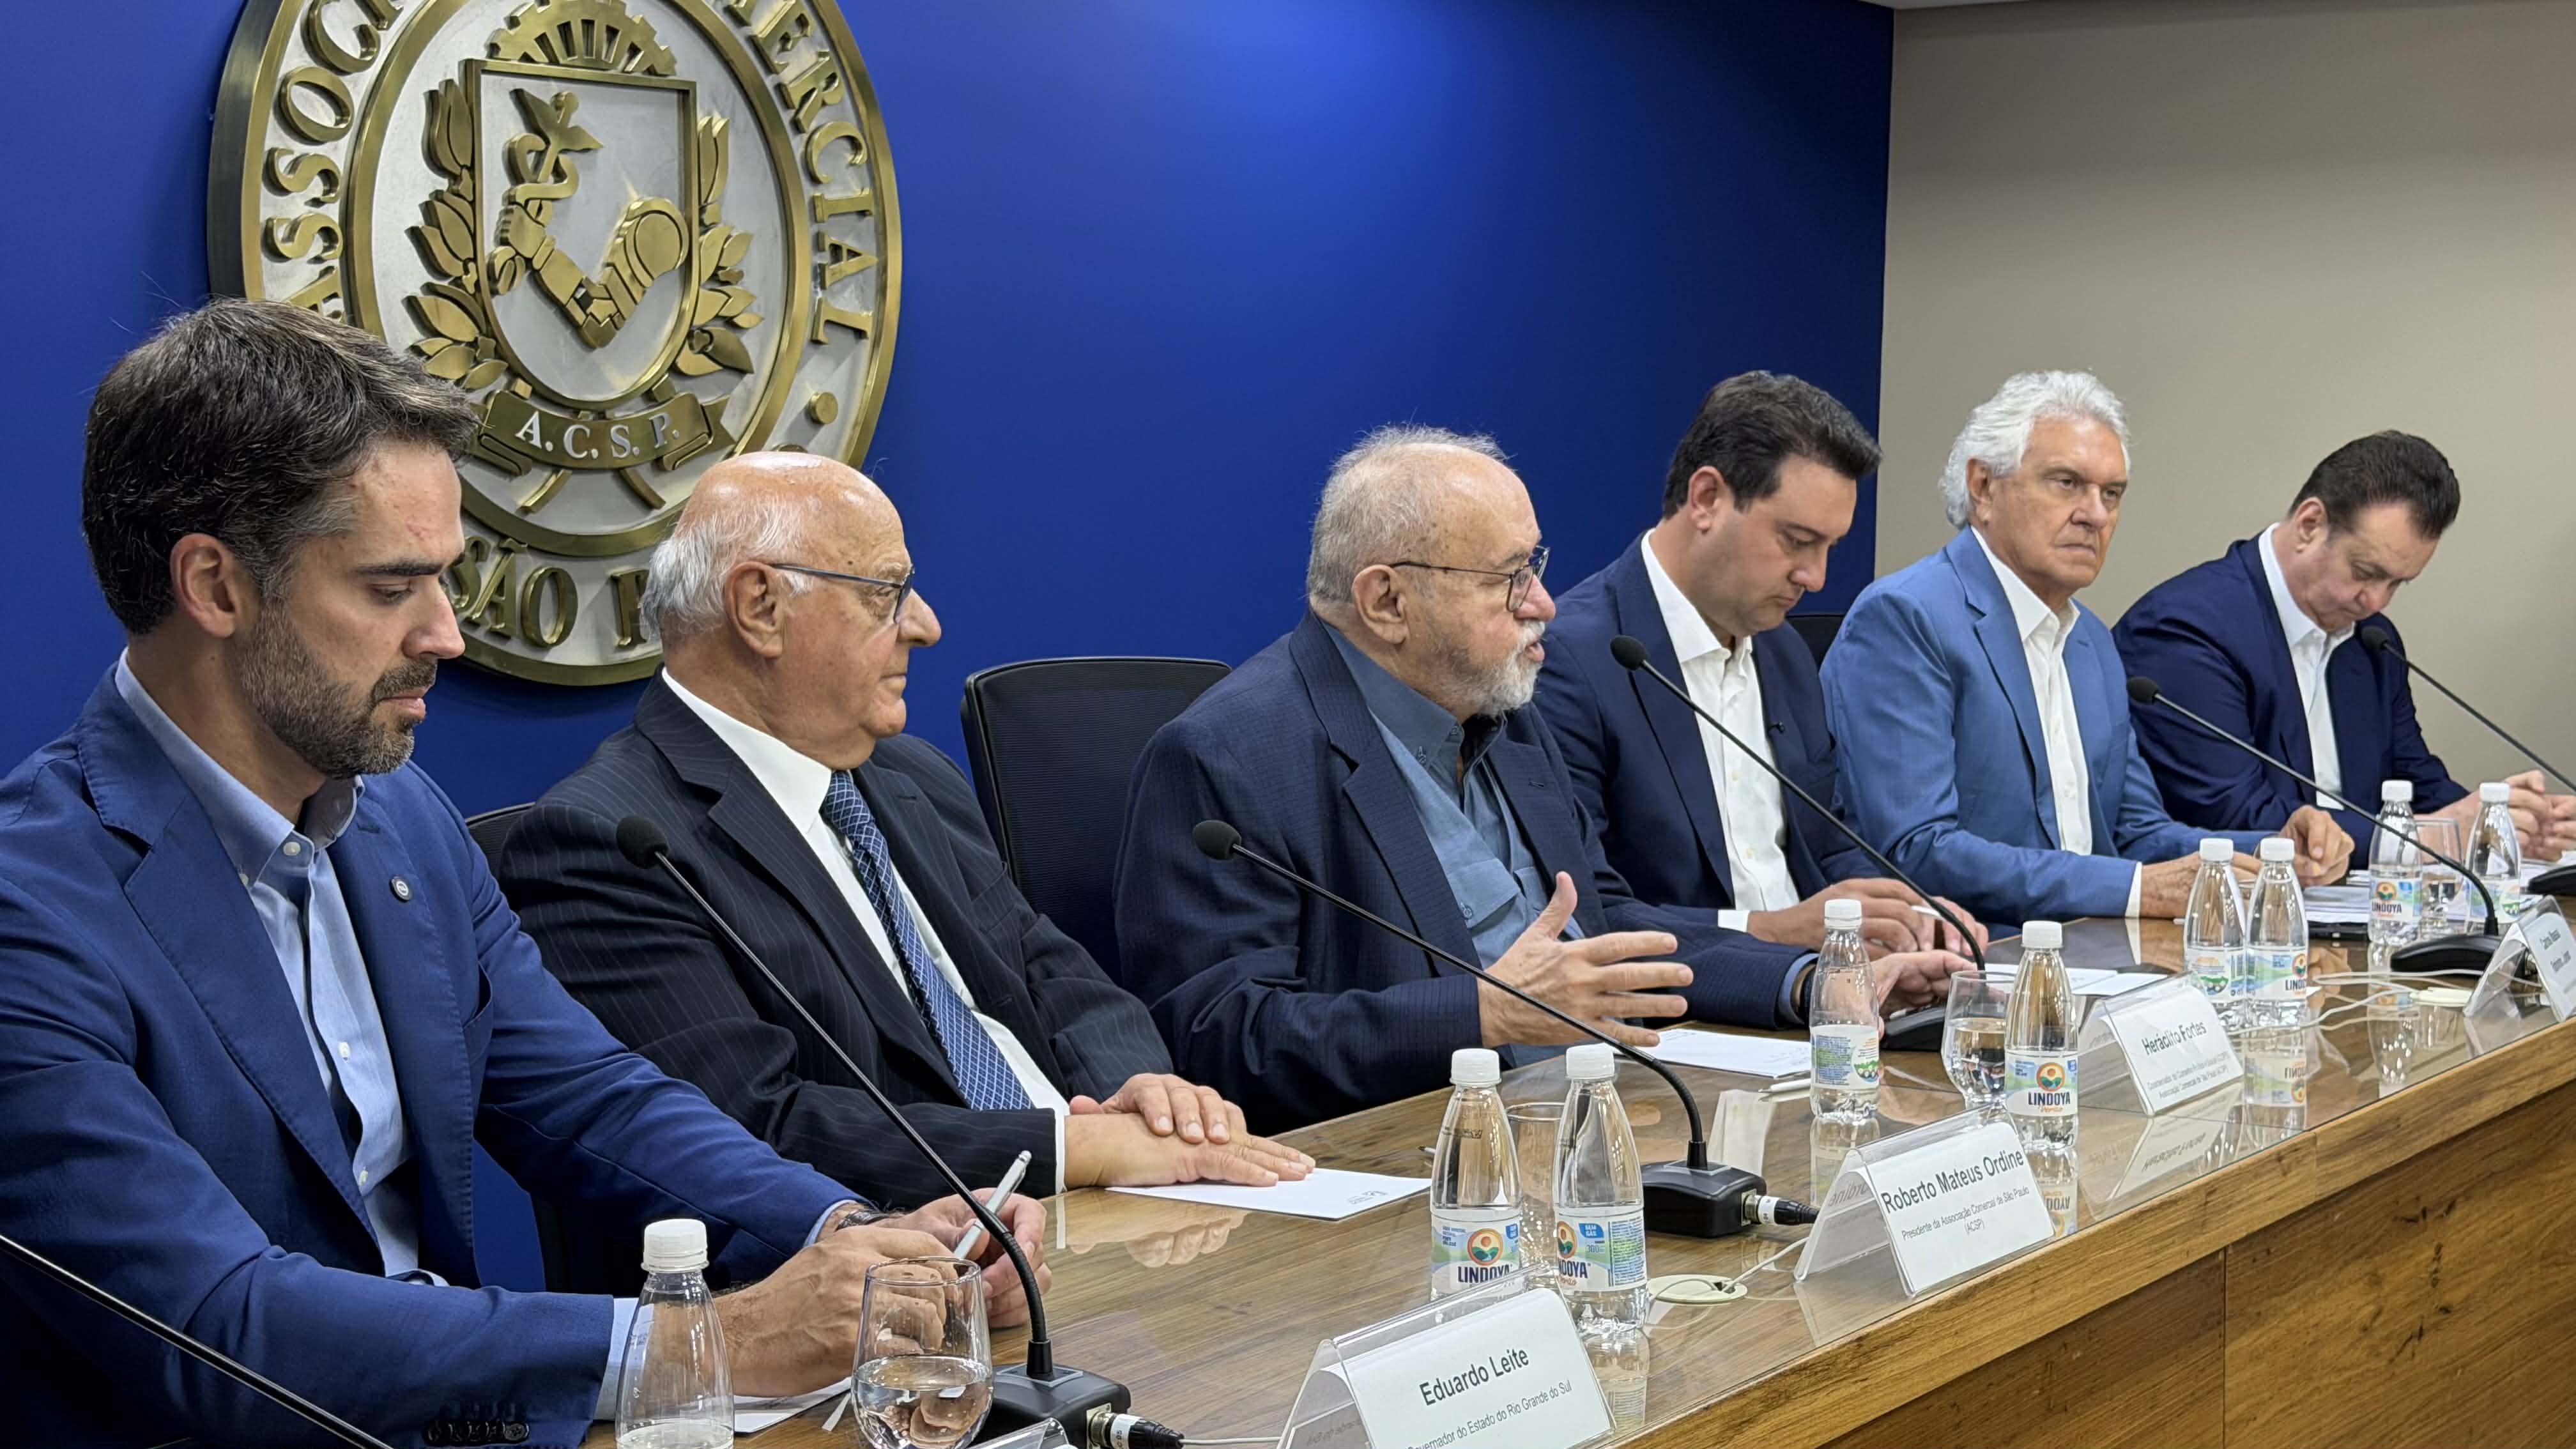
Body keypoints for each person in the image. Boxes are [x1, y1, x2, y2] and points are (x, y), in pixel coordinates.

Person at [0, 300, 1043, 1447]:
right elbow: (218, 1323)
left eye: (448, 579)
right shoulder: (33, 907)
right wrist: (701, 1341)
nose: (445, 633)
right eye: (392, 587)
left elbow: (589, 1095)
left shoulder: (397, 814)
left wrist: (851, 1232)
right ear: (217, 587)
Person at [501, 452, 1312, 1234]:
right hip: (891, 1280)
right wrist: (1075, 1150)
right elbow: (754, 1128)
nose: (925, 626)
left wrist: (1146, 1089)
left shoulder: (907, 773)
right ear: (761, 609)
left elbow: (1049, 970)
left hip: (1109, 1217)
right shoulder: (610, 842)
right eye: (887, 594)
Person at [1116, 425, 1969, 1131]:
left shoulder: (1510, 719)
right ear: (1386, 602)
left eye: (1537, 567)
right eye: (1507, 579)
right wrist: (1479, 1013)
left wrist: (1812, 982)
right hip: (1402, 1170)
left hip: (1589, 1123)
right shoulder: (1229, 756)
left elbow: (1612, 930)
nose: (1544, 604)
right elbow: (1219, 1038)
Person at [1822, 371, 2350, 923]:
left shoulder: (2092, 640)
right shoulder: (1908, 617)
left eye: (2111, 494)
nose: (2095, 514)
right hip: (1975, 964)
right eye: (2066, 483)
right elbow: (1919, 850)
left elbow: (2137, 832)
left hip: (2096, 956)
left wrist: (2267, 851)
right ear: (1983, 487)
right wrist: (2135, 890)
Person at [1537, 372, 1986, 956]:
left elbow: (1830, 844)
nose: (1816, 577)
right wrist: (1770, 933)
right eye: (1797, 541)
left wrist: (1907, 913)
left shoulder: (1784, 651)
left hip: (1821, 992)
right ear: (1706, 500)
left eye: (1830, 547)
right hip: (1685, 1013)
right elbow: (1588, 911)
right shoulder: (1572, 661)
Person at [2115, 431, 2575, 856]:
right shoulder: (2185, 630)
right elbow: (2236, 814)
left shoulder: (2371, 642)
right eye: (2366, 572)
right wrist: (2438, 835)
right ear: (2310, 524)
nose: (2376, 601)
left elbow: (2416, 782)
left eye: (2398, 584)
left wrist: (2503, 827)